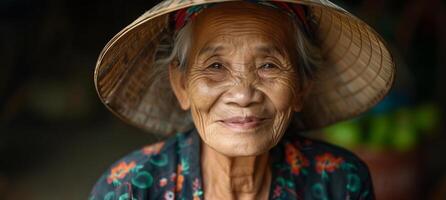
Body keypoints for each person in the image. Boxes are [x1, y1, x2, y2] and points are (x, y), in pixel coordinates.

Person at [90, 0, 394, 199]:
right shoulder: (128, 189)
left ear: (302, 85)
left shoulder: (338, 183)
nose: (243, 94)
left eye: (268, 66)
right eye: (215, 67)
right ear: (181, 84)